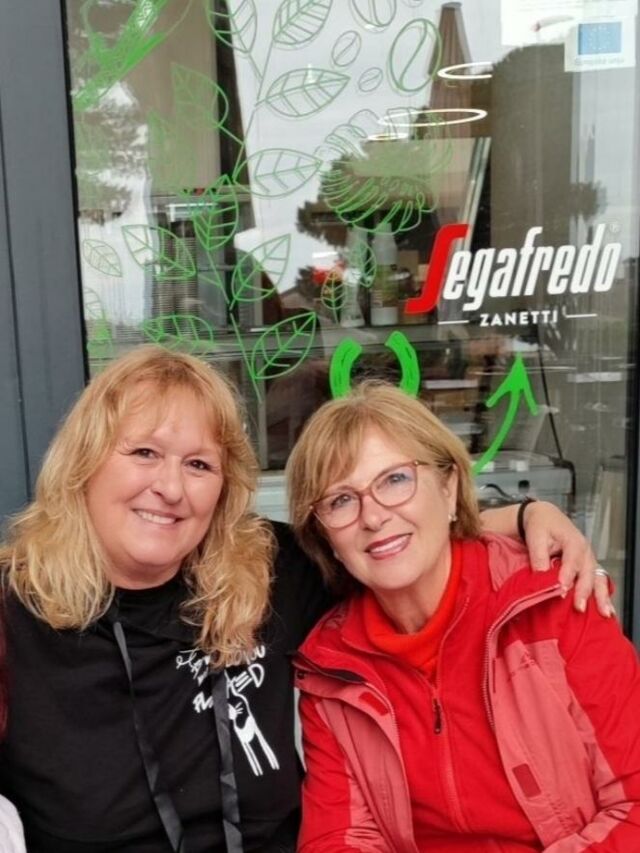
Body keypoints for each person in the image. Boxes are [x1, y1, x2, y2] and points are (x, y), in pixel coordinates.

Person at [0, 348, 607, 852]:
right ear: (84, 461)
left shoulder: (266, 568)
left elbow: (384, 539)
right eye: (143, 453)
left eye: (199, 464)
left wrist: (523, 515)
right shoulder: (12, 613)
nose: (171, 488)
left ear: (224, 487)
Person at [287, 381, 640, 852]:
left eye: (395, 479)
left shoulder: (553, 601)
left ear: (449, 487)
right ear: (326, 538)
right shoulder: (331, 667)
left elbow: (634, 804)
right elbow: (340, 837)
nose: (372, 517)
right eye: (341, 500)